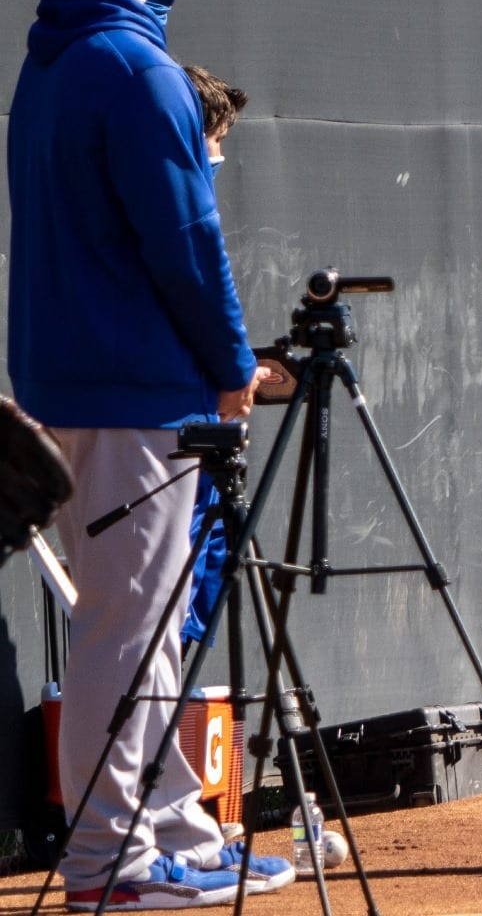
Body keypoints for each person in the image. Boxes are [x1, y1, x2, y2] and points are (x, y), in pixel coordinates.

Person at [6, 0, 287, 908]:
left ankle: (174, 830)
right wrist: (229, 365)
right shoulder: (136, 69)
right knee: (124, 635)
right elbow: (186, 238)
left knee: (141, 624)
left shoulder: (55, 61)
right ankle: (109, 869)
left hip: (66, 383)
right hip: (135, 395)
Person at [178, 64, 248, 651]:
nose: (220, 155)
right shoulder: (179, 207)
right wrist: (232, 369)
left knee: (212, 551)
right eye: (217, 139)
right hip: (183, 422)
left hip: (200, 409)